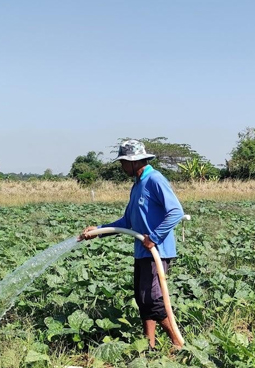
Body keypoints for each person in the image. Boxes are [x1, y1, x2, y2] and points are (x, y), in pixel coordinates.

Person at [79, 140, 185, 348]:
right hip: (142, 252)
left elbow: (176, 212)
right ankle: (149, 346)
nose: (121, 167)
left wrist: (154, 236)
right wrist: (98, 231)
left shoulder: (155, 180)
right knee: (142, 298)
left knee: (153, 299)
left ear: (134, 162)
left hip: (157, 251)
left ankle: (177, 343)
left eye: (123, 163)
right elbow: (127, 222)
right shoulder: (137, 186)